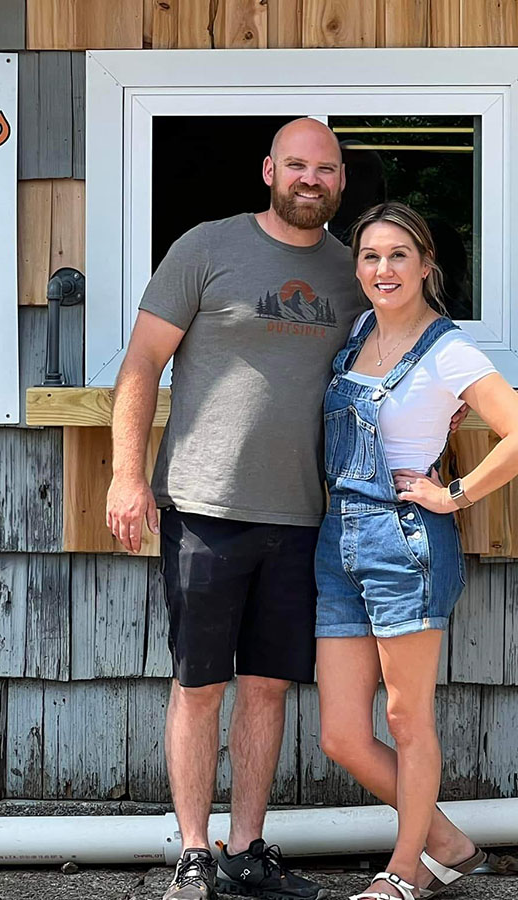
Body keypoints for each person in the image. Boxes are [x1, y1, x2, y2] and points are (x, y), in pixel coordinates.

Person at [104, 118, 368, 900]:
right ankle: (191, 851)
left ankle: (246, 851)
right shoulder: (206, 248)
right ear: (268, 171)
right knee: (199, 685)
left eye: (324, 169)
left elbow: (395, 358)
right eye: (296, 165)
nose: (309, 179)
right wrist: (127, 477)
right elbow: (142, 362)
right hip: (203, 504)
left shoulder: (356, 272)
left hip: (301, 514)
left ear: (341, 181)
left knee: (267, 687)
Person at [314, 202, 518, 900]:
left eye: (397, 256)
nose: (382, 269)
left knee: (406, 719)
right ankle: (447, 842)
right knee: (342, 736)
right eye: (369, 256)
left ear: (425, 266)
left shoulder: (450, 351)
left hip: (405, 542)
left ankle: (405, 872)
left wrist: (456, 493)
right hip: (339, 539)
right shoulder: (357, 331)